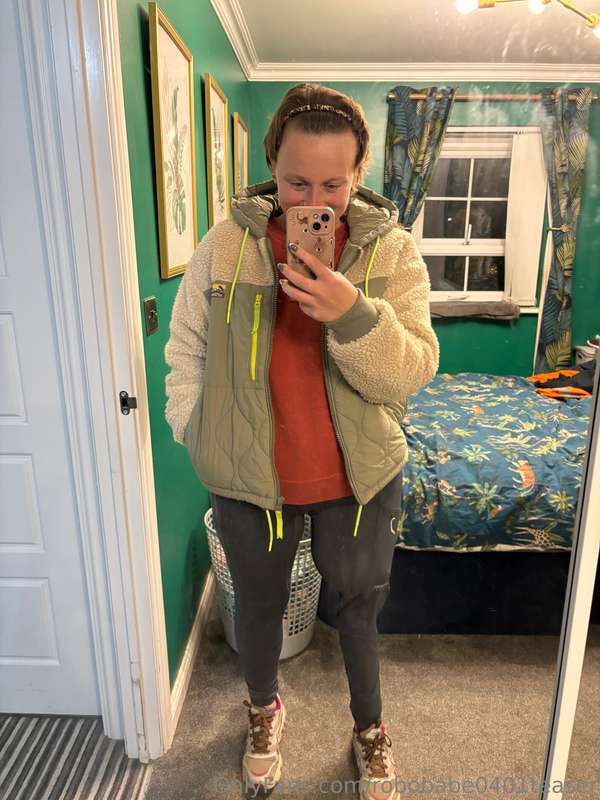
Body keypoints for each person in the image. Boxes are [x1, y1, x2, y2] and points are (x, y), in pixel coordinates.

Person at [165, 83, 439, 800]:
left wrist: (352, 315)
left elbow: (413, 368)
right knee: (257, 608)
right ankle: (264, 711)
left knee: (358, 610)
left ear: (358, 175)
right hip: (249, 477)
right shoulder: (225, 245)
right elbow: (186, 347)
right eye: (295, 182)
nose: (313, 199)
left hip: (359, 476)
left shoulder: (392, 252)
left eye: (332, 185)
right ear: (271, 166)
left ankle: (370, 727)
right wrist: (194, 427)